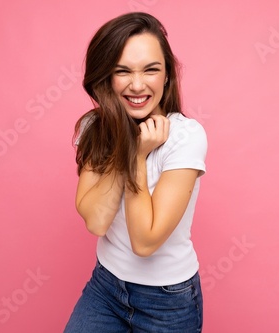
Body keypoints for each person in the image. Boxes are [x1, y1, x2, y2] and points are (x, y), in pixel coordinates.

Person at [64, 12, 207, 333]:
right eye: (123, 71)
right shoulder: (94, 126)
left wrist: (138, 160)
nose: (138, 85)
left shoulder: (186, 136)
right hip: (106, 285)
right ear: (105, 77)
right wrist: (131, 150)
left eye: (151, 70)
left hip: (167, 301)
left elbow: (145, 242)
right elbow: (96, 220)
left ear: (167, 75)